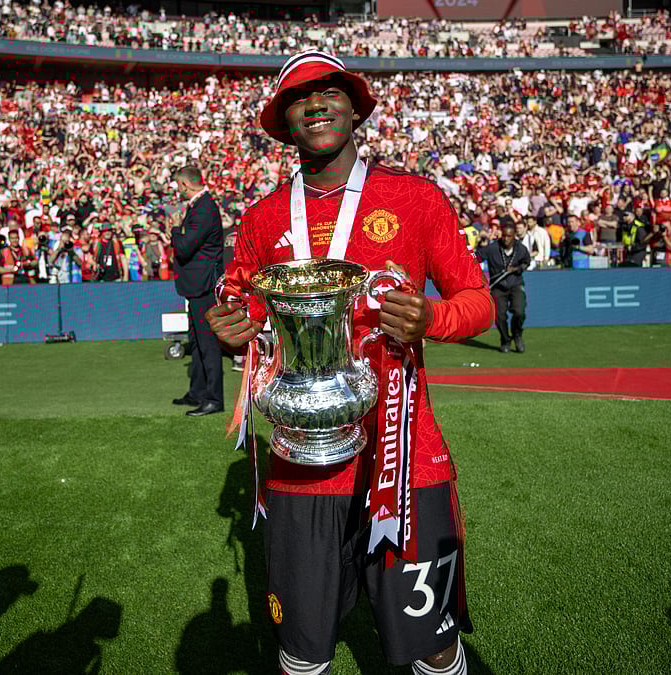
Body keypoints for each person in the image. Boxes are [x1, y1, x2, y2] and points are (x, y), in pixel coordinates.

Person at [204, 50, 493, 675]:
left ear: (354, 108)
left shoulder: (413, 198)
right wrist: (233, 327)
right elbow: (241, 303)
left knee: (434, 647)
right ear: (284, 121)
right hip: (302, 461)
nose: (315, 105)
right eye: (299, 99)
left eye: (329, 92)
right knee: (302, 651)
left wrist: (433, 319)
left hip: (406, 453)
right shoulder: (263, 216)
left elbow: (478, 301)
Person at [170, 165, 225, 417]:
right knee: (196, 341)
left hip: (203, 286)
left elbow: (184, 247)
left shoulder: (204, 208)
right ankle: (198, 392)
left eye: (178, 186)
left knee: (207, 343)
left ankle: (214, 398)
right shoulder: (200, 206)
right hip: (197, 285)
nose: (177, 190)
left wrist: (174, 229)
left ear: (185, 185)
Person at [478, 221, 530, 353]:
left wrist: (517, 268)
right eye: (504, 236)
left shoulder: (521, 248)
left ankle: (517, 335)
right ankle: (505, 340)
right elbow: (476, 257)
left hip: (516, 284)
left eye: (509, 236)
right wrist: (480, 245)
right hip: (498, 287)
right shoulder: (493, 248)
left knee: (519, 312)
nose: (506, 239)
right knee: (499, 316)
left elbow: (526, 262)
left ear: (514, 236)